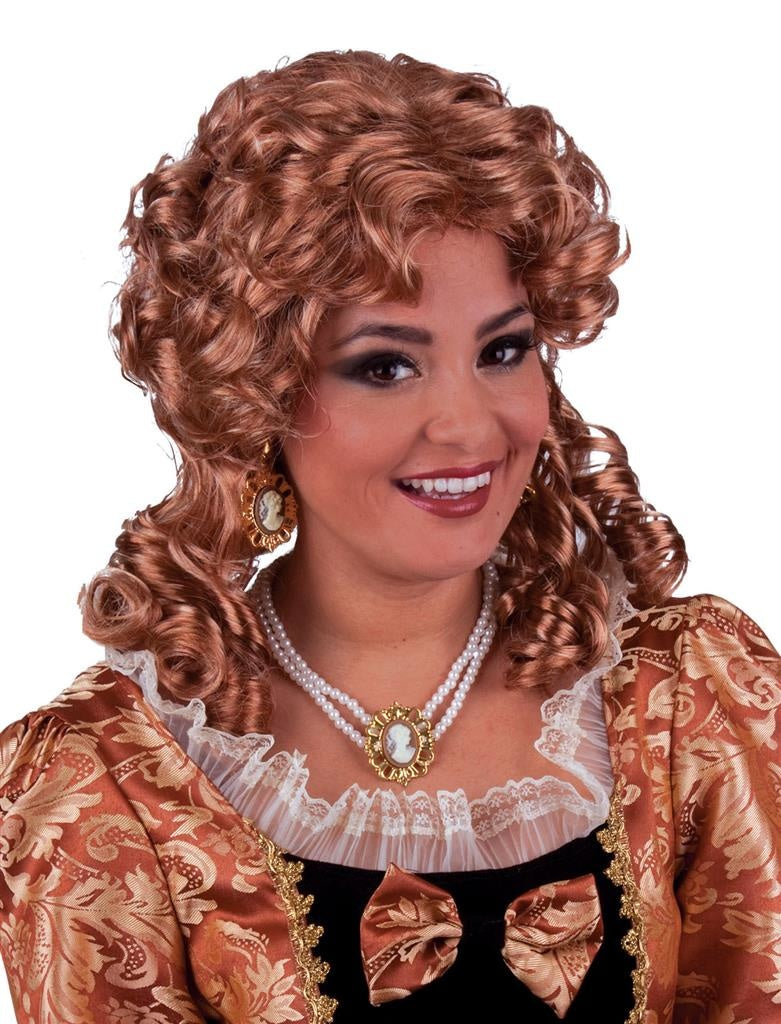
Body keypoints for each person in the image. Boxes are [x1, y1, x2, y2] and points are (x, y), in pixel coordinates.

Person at [0, 49, 778, 1024]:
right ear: (255, 397)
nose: (467, 426)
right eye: (384, 367)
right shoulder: (108, 780)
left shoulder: (685, 703)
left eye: (502, 349)